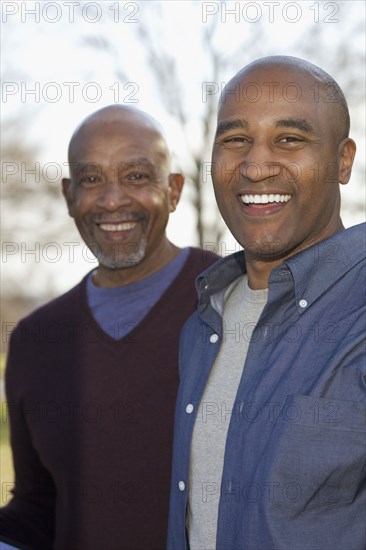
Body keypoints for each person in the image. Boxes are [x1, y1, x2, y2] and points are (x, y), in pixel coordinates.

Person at [167, 56, 365, 549]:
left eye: (289, 139)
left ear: (343, 160)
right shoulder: (203, 322)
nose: (255, 166)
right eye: (235, 139)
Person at [0, 105, 218, 550]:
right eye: (92, 178)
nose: (112, 200)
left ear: (174, 190)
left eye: (137, 176)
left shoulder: (230, 301)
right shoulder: (34, 341)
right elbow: (37, 508)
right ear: (68, 195)